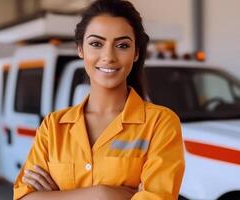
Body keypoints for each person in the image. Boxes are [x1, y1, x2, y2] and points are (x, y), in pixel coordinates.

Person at [13, 0, 185, 199]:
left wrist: (56, 195)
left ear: (136, 52)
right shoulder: (53, 127)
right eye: (96, 44)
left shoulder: (160, 124)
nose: (108, 56)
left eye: (122, 45)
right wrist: (104, 194)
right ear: (80, 49)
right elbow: (23, 196)